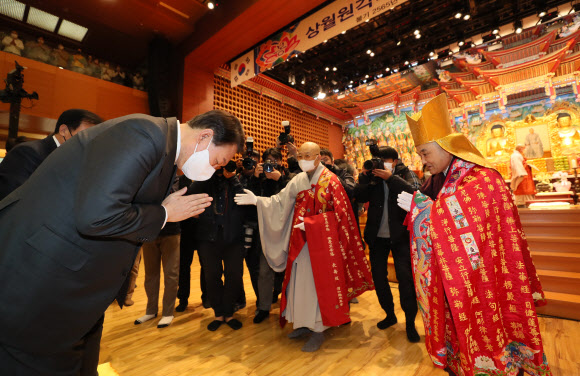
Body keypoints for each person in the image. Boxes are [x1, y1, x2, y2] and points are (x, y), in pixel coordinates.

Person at [0, 110, 244, 375]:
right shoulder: (144, 134)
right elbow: (97, 216)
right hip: (44, 281)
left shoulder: (162, 150)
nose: (213, 170)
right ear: (205, 136)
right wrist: (164, 213)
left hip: (77, 285)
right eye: (217, 161)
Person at [399, 94, 551, 376]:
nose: (422, 161)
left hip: (484, 281)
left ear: (445, 145)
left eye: (424, 153)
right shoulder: (441, 178)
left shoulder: (482, 178)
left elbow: (464, 223)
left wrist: (422, 209)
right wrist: (425, 208)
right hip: (455, 279)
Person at [235, 142, 374, 352]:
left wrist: (311, 225)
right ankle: (301, 324)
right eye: (299, 155)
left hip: (322, 246)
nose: (302, 159)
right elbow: (280, 202)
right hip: (299, 242)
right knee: (298, 285)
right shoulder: (298, 179)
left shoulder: (332, 182)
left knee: (317, 287)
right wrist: (258, 201)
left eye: (307, 155)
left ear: (318, 157)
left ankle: (318, 329)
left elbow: (341, 216)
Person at [354, 146, 421, 342]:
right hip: (376, 238)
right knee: (379, 279)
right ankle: (389, 315)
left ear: (394, 161)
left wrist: (390, 178)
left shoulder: (405, 173)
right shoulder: (372, 177)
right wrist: (366, 177)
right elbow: (359, 196)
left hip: (401, 237)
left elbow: (416, 192)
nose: (380, 165)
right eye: (378, 161)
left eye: (385, 161)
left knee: (405, 280)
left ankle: (410, 323)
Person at [189, 163, 246, 331]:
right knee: (212, 276)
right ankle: (218, 313)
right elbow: (191, 192)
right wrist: (208, 171)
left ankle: (229, 312)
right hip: (208, 237)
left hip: (234, 237)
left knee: (234, 275)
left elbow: (245, 199)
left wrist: (233, 177)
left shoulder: (238, 180)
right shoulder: (205, 181)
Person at [0, 109, 102, 200]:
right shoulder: (28, 153)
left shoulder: (77, 161)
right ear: (63, 131)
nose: (89, 142)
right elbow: (14, 200)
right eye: (85, 136)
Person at [248, 148, 290, 324]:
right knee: (264, 271)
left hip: (285, 231)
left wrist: (280, 178)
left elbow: (294, 195)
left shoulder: (288, 176)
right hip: (266, 231)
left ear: (281, 162)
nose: (271, 166)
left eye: (275, 161)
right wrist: (256, 179)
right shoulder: (259, 179)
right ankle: (263, 307)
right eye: (268, 162)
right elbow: (249, 199)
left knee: (289, 272)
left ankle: (290, 307)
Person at [134, 177, 182, 328]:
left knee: (171, 274)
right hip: (150, 231)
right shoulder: (149, 178)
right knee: (150, 274)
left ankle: (168, 312)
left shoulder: (178, 179)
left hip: (172, 232)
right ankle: (151, 310)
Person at [175, 175, 209, 312]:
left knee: (205, 265)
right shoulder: (182, 180)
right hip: (185, 229)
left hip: (203, 229)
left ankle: (206, 297)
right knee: (184, 266)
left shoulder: (207, 178)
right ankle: (183, 299)